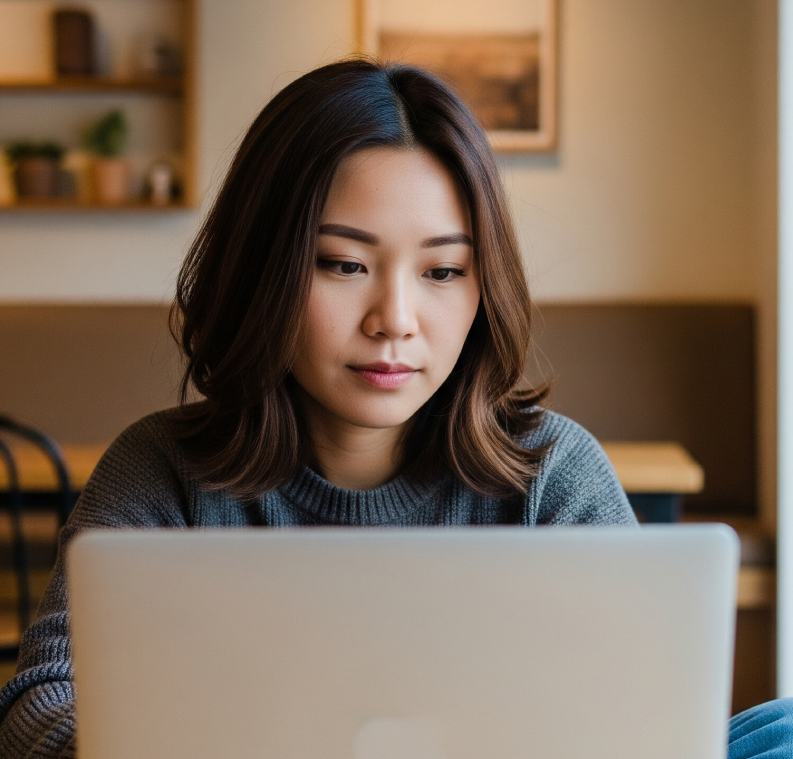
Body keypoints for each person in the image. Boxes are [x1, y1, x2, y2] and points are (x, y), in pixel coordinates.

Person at [0, 58, 789, 758]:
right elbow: (38, 703)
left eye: (442, 271)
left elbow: (646, 712)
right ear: (262, 266)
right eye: (343, 263)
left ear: (484, 287)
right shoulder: (164, 470)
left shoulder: (552, 470)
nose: (395, 319)